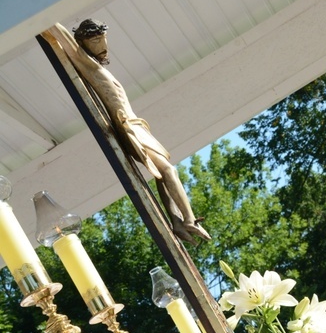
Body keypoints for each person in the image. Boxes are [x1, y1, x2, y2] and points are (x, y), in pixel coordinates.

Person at [42, 20, 211, 245]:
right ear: (82, 44)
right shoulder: (85, 62)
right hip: (128, 127)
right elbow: (61, 35)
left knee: (161, 174)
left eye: (103, 39)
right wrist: (46, 19)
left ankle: (177, 221)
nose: (102, 45)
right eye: (95, 41)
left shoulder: (97, 66)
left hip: (136, 125)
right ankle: (188, 219)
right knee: (168, 170)